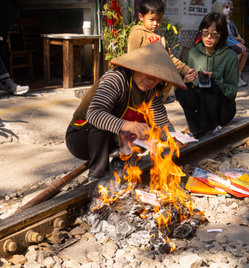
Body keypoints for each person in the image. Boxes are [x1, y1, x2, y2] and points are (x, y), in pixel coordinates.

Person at [66, 42, 186, 180]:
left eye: (157, 77)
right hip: (81, 138)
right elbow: (94, 114)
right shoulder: (116, 78)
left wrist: (173, 138)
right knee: (107, 124)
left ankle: (120, 168)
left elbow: (161, 121)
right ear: (137, 67)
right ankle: (97, 176)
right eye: (148, 73)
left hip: (113, 139)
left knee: (145, 130)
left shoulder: (153, 90)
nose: (152, 81)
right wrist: (129, 125)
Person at [174, 12, 239, 138]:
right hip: (201, 107)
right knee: (181, 90)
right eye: (205, 32)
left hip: (223, 109)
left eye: (214, 34)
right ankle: (196, 129)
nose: (209, 37)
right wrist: (186, 80)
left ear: (222, 35)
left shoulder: (230, 56)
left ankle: (208, 128)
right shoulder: (193, 53)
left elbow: (232, 92)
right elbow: (186, 85)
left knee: (209, 86)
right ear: (200, 32)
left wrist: (215, 77)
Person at [127, 0, 196, 101]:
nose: (155, 23)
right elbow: (132, 59)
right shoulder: (138, 34)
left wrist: (186, 70)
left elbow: (169, 58)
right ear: (141, 17)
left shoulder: (160, 38)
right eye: (151, 19)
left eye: (159, 20)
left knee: (154, 110)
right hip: (140, 83)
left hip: (156, 83)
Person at [211, 0, 249, 87]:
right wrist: (236, 44)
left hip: (227, 42)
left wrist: (237, 43)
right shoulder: (216, 20)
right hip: (220, 44)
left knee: (245, 50)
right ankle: (232, 77)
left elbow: (230, 37)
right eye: (226, 7)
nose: (228, 10)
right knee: (239, 50)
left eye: (229, 7)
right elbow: (223, 37)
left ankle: (238, 76)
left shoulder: (226, 20)